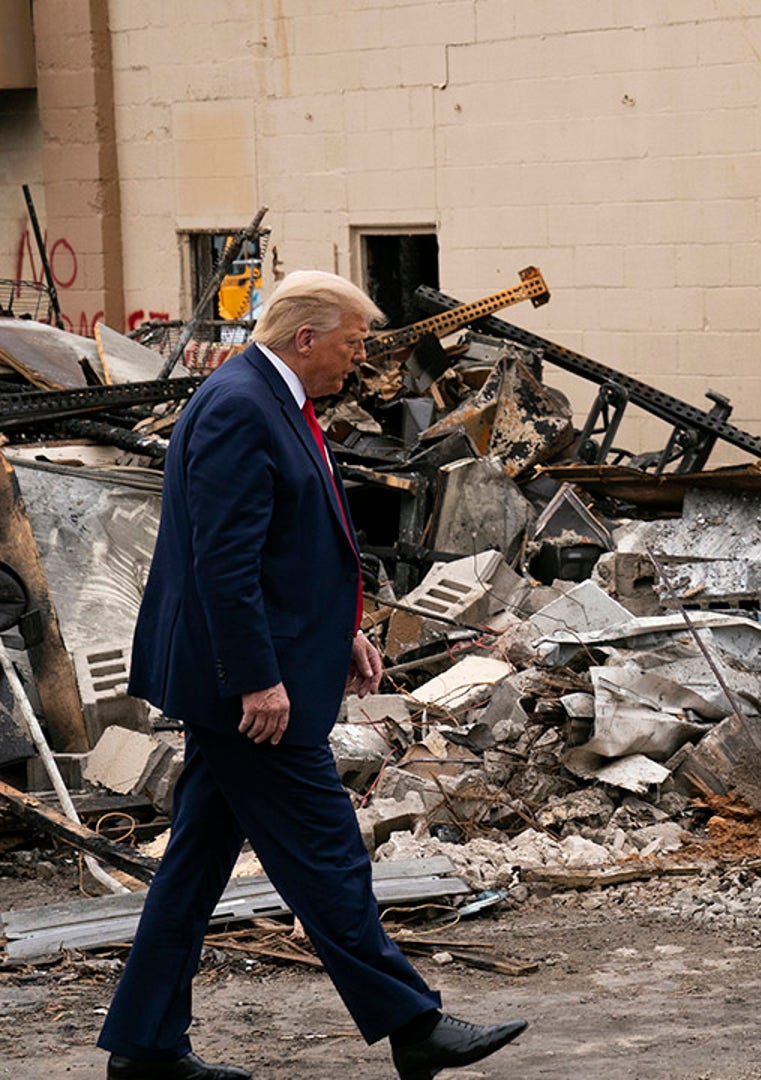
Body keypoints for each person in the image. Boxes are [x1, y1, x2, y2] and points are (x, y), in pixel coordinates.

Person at [99, 272, 527, 1080]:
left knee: (193, 868)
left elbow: (295, 545)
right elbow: (224, 564)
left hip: (267, 670)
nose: (360, 359)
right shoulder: (238, 407)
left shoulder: (269, 399)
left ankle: (145, 1046)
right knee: (328, 852)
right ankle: (414, 1026)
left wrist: (347, 635)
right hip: (249, 693)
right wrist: (257, 679)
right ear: (306, 339)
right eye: (353, 342)